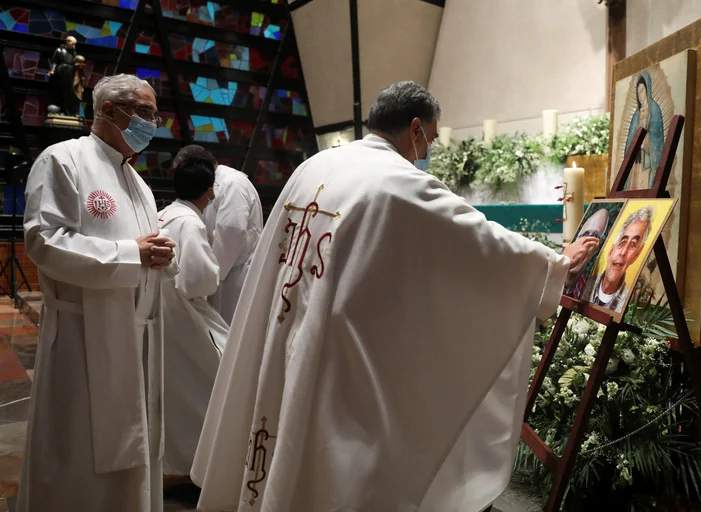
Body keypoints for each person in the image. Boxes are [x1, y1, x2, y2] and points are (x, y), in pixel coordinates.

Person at [191, 81, 597, 512]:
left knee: (277, 431)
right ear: (416, 128)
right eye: (431, 139)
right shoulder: (400, 182)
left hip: (287, 324)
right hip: (332, 350)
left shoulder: (316, 165)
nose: (426, 151)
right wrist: (554, 264)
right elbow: (481, 240)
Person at [21, 73, 174, 512]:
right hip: (83, 336)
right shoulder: (64, 159)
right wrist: (130, 254)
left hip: (138, 334)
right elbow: (44, 241)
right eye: (143, 112)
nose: (151, 123)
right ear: (108, 110)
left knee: (137, 444)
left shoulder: (138, 182)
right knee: (78, 450)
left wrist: (162, 255)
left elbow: (147, 247)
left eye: (154, 115)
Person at [159, 159, 229, 478]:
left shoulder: (163, 213)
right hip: (185, 313)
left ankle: (175, 461)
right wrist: (214, 274)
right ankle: (200, 463)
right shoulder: (190, 222)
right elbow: (199, 279)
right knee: (209, 383)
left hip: (162, 309)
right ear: (209, 192)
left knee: (175, 388)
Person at [171, 145, 263, 324]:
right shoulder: (211, 183)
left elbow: (232, 230)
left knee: (232, 330)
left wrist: (212, 274)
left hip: (234, 275)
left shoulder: (231, 183)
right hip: (221, 273)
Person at [589, 207, 653, 312]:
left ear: (637, 255)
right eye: (622, 242)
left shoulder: (629, 304)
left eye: (633, 245)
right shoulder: (585, 285)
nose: (623, 252)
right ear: (611, 250)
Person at [624, 72, 664, 188]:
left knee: (645, 183)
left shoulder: (654, 109)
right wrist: (633, 148)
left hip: (648, 155)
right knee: (635, 184)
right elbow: (630, 138)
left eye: (642, 91)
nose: (640, 96)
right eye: (638, 93)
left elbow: (657, 136)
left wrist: (645, 142)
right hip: (637, 157)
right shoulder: (636, 114)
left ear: (647, 90)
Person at [565, 207, 610, 299]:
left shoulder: (588, 292)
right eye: (585, 234)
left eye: (595, 236)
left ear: (596, 250)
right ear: (576, 239)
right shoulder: (548, 269)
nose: (588, 240)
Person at [48, 35, 79, 116]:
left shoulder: (74, 52)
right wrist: (52, 70)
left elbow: (75, 63)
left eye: (75, 44)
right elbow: (54, 61)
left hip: (70, 72)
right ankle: (58, 109)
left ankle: (66, 111)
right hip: (61, 71)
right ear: (68, 42)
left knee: (68, 92)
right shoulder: (59, 50)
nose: (74, 46)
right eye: (73, 44)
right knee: (59, 90)